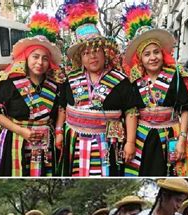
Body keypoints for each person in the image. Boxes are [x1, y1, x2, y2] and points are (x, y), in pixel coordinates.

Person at [58, 0, 137, 176]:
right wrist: (58, 132)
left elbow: (131, 111)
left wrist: (130, 142)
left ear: (104, 52)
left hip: (109, 142)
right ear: (80, 58)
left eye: (95, 51)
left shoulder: (121, 80)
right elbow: (62, 108)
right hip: (76, 141)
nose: (92, 56)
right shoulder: (70, 80)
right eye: (86, 53)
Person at [122, 3, 188, 176]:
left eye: (156, 52)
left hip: (169, 134)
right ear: (140, 58)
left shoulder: (176, 75)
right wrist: (130, 142)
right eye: (147, 54)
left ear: (163, 54)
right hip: (142, 137)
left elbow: (185, 109)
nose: (153, 57)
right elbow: (131, 111)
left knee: (169, 173)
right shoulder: (134, 79)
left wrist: (182, 140)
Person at [0, 12, 64, 176]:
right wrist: (22, 131)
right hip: (16, 139)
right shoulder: (9, 84)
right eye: (35, 57)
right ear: (26, 58)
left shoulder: (55, 86)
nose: (40, 62)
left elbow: (60, 111)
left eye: (45, 58)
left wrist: (58, 133)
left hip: (46, 143)